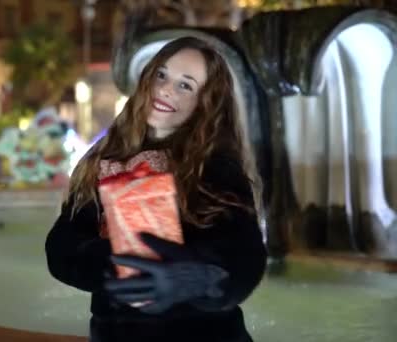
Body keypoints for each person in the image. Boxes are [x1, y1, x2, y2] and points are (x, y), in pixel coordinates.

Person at [45, 36, 267, 342]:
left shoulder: (215, 166)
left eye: (185, 85)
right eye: (161, 75)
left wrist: (203, 279)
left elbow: (246, 254)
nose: (165, 89)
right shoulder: (102, 160)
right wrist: (112, 264)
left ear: (206, 102)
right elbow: (62, 246)